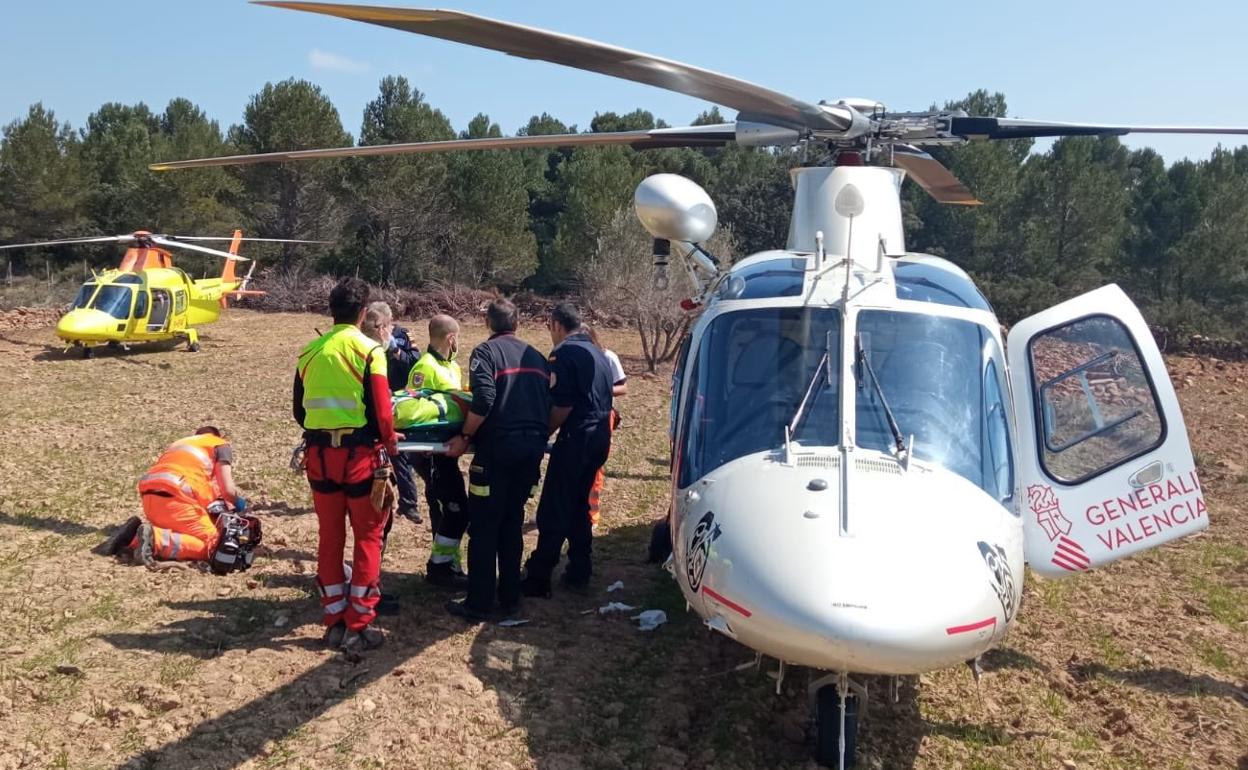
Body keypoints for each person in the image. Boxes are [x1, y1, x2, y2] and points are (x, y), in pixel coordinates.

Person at [294, 278, 398, 655]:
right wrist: (389, 442)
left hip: (320, 460)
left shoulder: (309, 352)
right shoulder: (369, 351)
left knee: (329, 538)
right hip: (360, 460)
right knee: (368, 538)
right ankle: (360, 623)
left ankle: (334, 618)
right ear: (362, 313)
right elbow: (383, 411)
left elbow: (298, 410)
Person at [444, 299, 549, 622]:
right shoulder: (537, 357)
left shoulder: (485, 353)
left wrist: (464, 436)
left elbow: (485, 398)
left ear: (488, 323)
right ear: (517, 323)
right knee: (511, 522)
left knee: (485, 526)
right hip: (531, 450)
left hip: (498, 451)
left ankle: (478, 602)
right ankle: (510, 598)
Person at [521, 303, 614, 597]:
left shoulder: (565, 353)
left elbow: (563, 405)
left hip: (578, 437)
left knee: (554, 506)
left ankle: (539, 575)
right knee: (578, 503)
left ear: (557, 325)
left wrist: (540, 435)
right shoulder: (598, 352)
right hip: (600, 434)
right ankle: (579, 568)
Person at [97, 426, 253, 569]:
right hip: (177, 497)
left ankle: (132, 539)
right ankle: (156, 541)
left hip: (150, 497)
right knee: (216, 545)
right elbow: (227, 490)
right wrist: (238, 503)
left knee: (179, 530)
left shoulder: (180, 444)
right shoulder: (219, 444)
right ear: (218, 435)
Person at [407, 314, 471, 588]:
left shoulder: (452, 367)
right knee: (455, 508)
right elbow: (412, 411)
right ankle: (440, 568)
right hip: (430, 453)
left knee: (448, 508)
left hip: (448, 450)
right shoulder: (424, 367)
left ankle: (447, 563)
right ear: (451, 338)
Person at [362, 301, 422, 524]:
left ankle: (409, 504)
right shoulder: (364, 338)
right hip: (374, 399)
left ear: (388, 323)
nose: (378, 331)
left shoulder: (403, 335)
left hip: (399, 400)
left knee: (401, 455)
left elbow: (416, 363)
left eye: (381, 326)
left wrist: (395, 350)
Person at [584, 326, 627, 527]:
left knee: (594, 466)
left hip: (601, 415)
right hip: (578, 415)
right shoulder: (574, 357)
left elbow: (623, 387)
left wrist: (599, 389)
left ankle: (592, 515)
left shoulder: (608, 357)